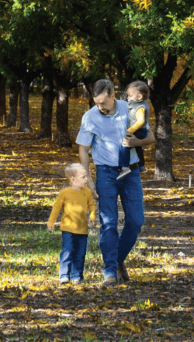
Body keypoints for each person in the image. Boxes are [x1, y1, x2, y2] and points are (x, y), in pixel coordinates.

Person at [76, 79, 155, 286]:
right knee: (109, 223)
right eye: (97, 103)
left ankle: (117, 259)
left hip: (131, 172)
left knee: (136, 221)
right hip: (106, 174)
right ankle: (109, 272)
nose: (100, 107)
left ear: (113, 95)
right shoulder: (90, 116)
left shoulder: (130, 107)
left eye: (104, 103)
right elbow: (83, 150)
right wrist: (88, 181)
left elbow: (151, 137)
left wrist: (136, 142)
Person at [47, 163, 96, 285]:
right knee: (67, 251)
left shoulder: (87, 192)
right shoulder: (65, 193)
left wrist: (92, 217)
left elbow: (92, 206)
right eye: (83, 177)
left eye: (86, 176)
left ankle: (77, 275)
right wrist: (51, 222)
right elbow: (57, 207)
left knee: (80, 253)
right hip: (67, 229)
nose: (86, 179)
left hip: (82, 229)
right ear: (73, 179)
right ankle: (64, 275)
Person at [118, 81, 151, 179]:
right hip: (139, 131)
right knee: (137, 148)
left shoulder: (140, 107)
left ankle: (124, 167)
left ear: (139, 97)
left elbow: (140, 121)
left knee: (124, 146)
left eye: (130, 95)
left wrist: (131, 130)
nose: (127, 98)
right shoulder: (137, 105)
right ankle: (141, 166)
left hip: (138, 131)